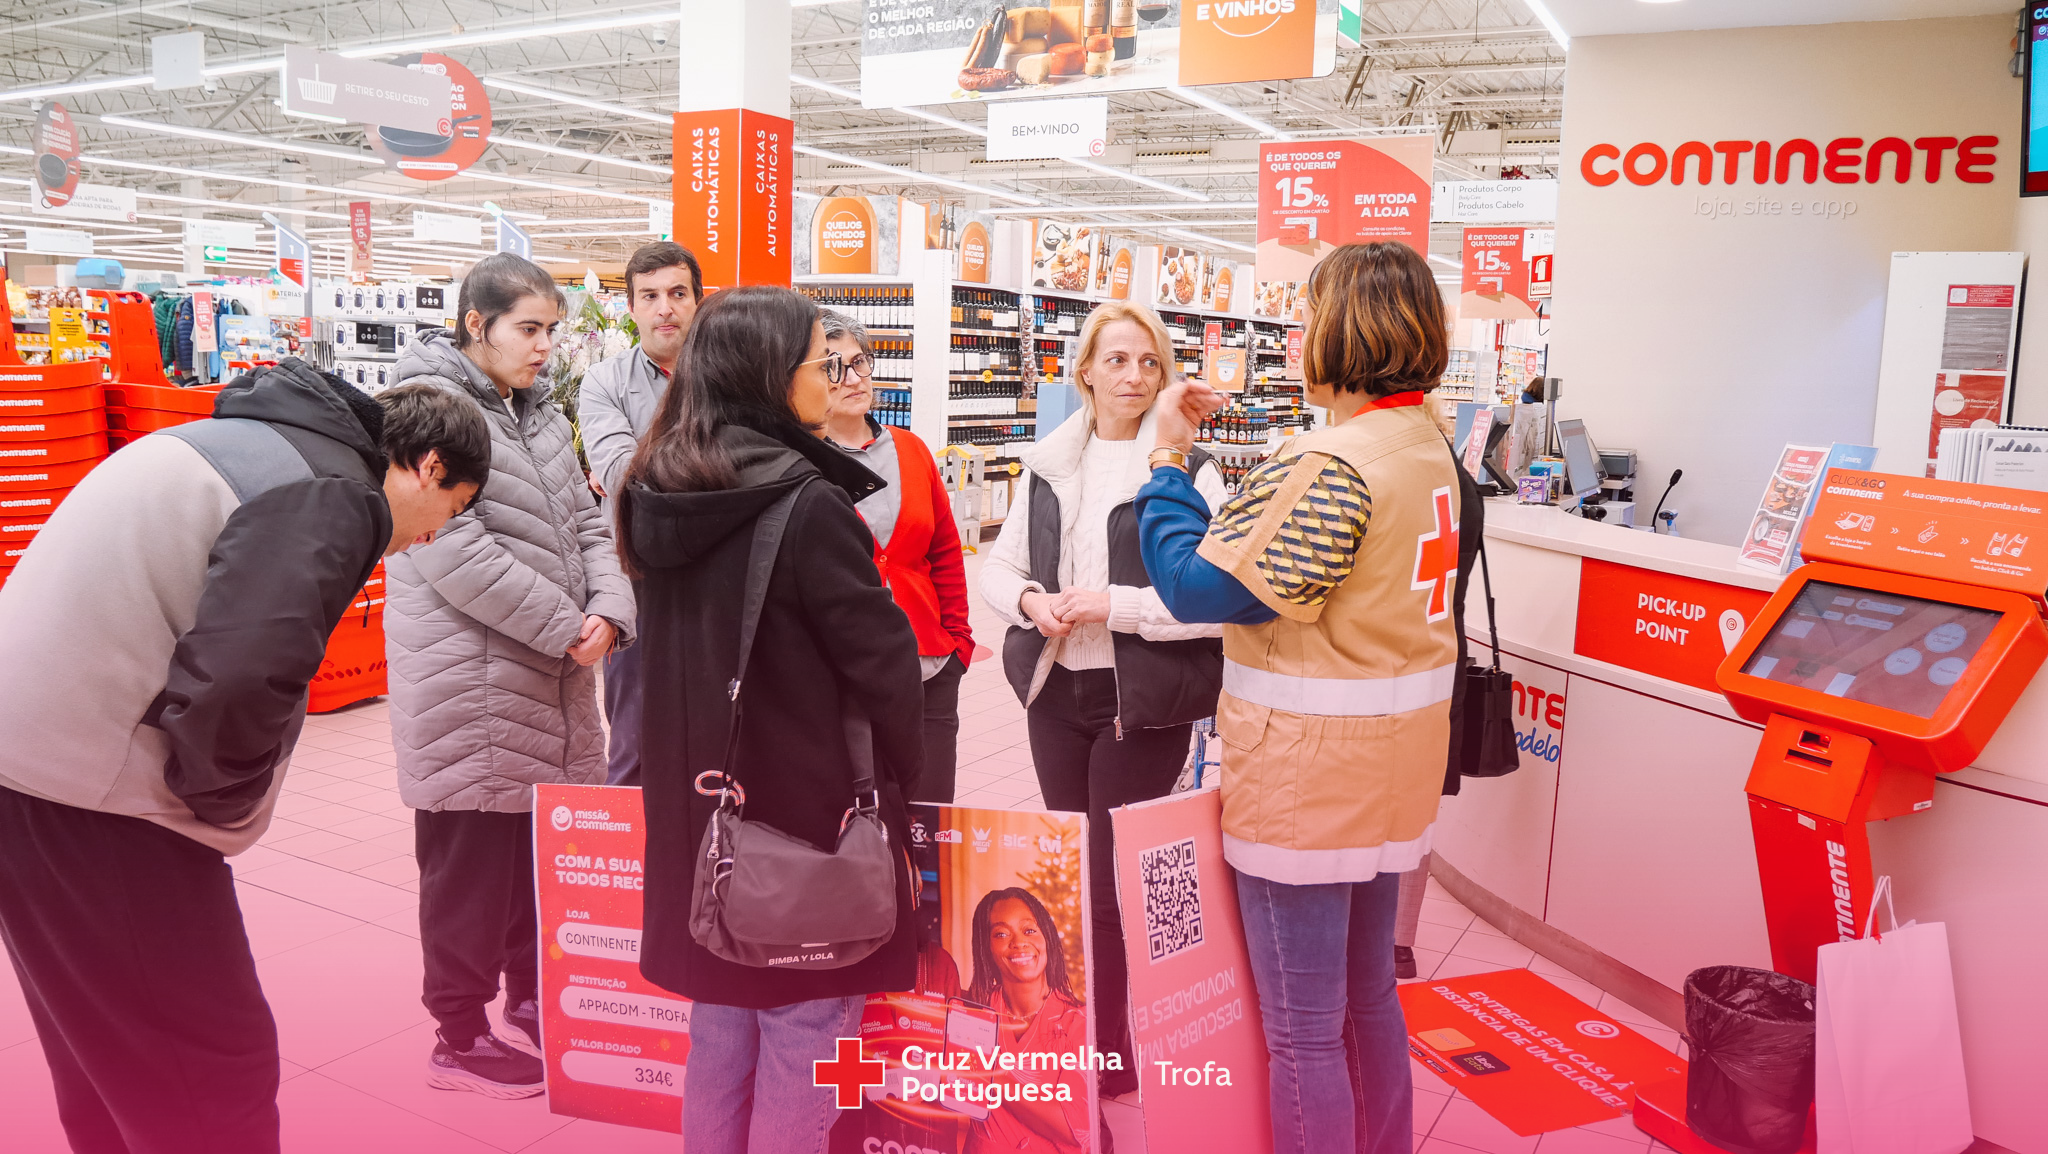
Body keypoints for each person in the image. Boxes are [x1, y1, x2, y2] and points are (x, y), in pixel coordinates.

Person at [0, 366, 488, 1154]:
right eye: (451, 512)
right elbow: (242, 676)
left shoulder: (245, 442)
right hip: (92, 799)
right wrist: (219, 806)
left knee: (106, 1055)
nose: (430, 537)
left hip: (29, 772)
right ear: (429, 467)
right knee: (212, 1071)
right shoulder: (333, 490)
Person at [1132, 241, 1464, 1154]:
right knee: (1370, 995)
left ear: (1343, 331)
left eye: (1309, 315)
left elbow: (1196, 588)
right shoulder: (1426, 445)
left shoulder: (1331, 465)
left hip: (1307, 784)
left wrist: (1167, 463)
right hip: (1392, 771)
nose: (1298, 334)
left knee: (1303, 1031)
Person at [619, 286, 924, 1154]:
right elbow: (883, 664)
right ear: (771, 376)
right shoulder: (806, 503)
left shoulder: (654, 486)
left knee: (720, 1020)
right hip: (806, 814)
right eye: (819, 362)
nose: (832, 378)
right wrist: (905, 780)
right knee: (809, 1025)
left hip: (700, 810)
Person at [386, 253, 636, 1098]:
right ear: (475, 324)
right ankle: (457, 1037)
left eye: (551, 331)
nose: (543, 346)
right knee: (468, 871)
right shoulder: (425, 412)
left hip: (549, 680)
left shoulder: (539, 415)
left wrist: (611, 610)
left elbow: (588, 523)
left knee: (538, 862)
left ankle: (532, 999)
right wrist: (570, 628)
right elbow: (452, 549)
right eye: (528, 329)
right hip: (471, 686)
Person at [978, 299, 1226, 1099]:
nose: (1134, 376)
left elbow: (1216, 602)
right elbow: (1000, 567)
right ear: (1084, 370)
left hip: (1141, 700)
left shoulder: (1188, 469)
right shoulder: (1051, 463)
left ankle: (1110, 1058)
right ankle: (1082, 1037)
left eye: (1150, 362)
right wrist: (1030, 603)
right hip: (1056, 692)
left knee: (1111, 886)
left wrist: (1111, 605)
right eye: (1117, 359)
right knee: (1073, 874)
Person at [820, 309, 976, 801]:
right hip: (843, 680)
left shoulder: (912, 450)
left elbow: (945, 552)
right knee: (860, 821)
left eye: (858, 362)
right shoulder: (802, 462)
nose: (852, 378)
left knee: (928, 814)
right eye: (832, 367)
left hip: (929, 669)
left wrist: (958, 644)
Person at [577, 240, 703, 786]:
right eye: (649, 296)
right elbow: (624, 479)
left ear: (698, 301)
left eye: (677, 293)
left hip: (719, 580)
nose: (664, 308)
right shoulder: (604, 382)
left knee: (722, 732)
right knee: (633, 739)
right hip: (637, 582)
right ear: (630, 307)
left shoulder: (729, 378)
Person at [963, 888, 1092, 1154]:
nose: (1019, 942)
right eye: (1001, 934)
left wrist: (992, 1077)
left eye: (1029, 930)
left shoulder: (1078, 1022)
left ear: (1047, 938)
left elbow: (1076, 1128)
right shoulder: (973, 1010)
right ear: (986, 947)